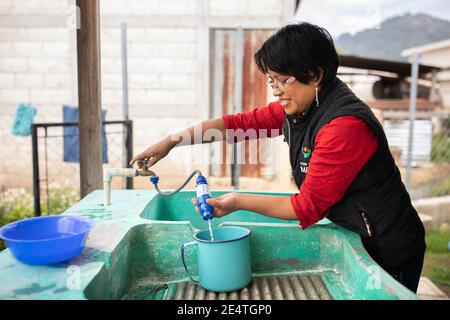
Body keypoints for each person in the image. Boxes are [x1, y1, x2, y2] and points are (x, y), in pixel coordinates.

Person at [130, 22, 426, 293]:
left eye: (282, 81)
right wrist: (170, 142)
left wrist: (237, 201)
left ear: (316, 75)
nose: (276, 93)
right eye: (271, 82)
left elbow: (306, 208)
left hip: (390, 251)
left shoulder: (344, 127)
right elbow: (236, 125)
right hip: (358, 235)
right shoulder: (301, 106)